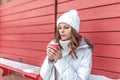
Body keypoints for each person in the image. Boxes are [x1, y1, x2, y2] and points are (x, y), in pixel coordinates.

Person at [40, 10, 93, 80]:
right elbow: (44, 76)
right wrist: (50, 60)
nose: (62, 31)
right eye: (59, 28)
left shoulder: (85, 51)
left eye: (66, 27)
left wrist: (60, 60)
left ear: (74, 30)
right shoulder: (55, 46)